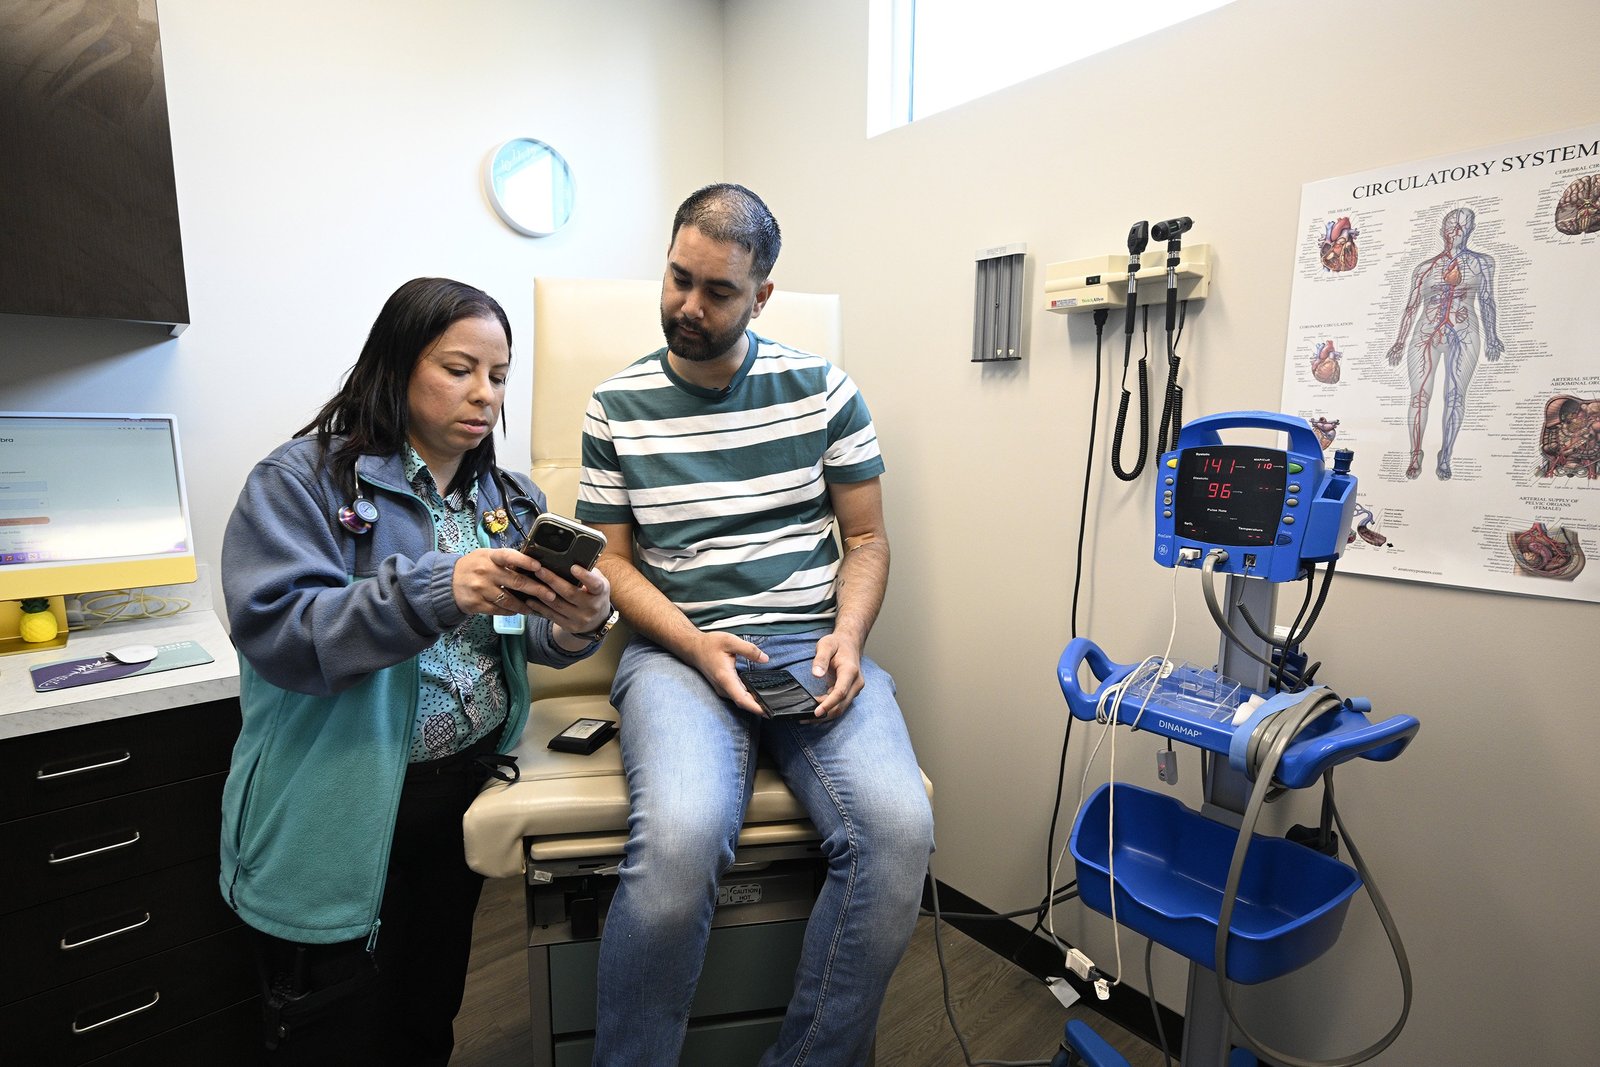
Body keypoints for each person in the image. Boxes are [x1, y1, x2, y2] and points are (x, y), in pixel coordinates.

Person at [576, 184, 935, 1066]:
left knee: (898, 829)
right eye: (676, 278)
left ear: (762, 296)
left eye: (717, 291)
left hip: (809, 642)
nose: (687, 306)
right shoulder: (613, 405)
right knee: (683, 841)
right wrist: (696, 644)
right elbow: (613, 563)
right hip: (676, 652)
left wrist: (847, 637)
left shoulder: (823, 391)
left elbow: (867, 538)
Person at [219, 277, 616, 1065]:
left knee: (425, 1011)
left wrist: (577, 624)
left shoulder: (506, 500)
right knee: (333, 1024)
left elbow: (514, 635)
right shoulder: (300, 483)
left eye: (499, 376)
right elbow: (280, 633)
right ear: (397, 365)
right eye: (459, 367)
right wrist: (439, 587)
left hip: (458, 794)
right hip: (341, 796)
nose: (485, 394)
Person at [1385, 205, 1506, 480]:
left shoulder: (1482, 262)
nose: (1457, 230)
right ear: (1443, 230)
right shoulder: (1424, 268)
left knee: (1454, 396)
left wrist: (1493, 336)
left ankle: (1446, 455)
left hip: (1464, 331)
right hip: (1426, 333)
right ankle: (1416, 453)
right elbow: (1411, 306)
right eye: (1452, 224)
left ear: (1471, 230)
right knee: (1419, 396)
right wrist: (1399, 341)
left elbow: (1487, 299)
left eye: (1463, 225)